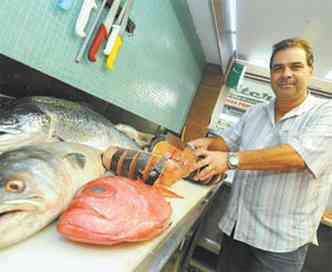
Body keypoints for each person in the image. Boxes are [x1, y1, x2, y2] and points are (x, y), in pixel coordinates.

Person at [189, 38, 332, 272]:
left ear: (310, 71)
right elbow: (226, 141)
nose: (285, 74)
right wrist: (207, 144)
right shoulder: (255, 111)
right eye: (278, 68)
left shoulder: (325, 112)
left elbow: (297, 156)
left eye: (295, 66)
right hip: (237, 229)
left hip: (280, 245)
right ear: (271, 75)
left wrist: (230, 160)